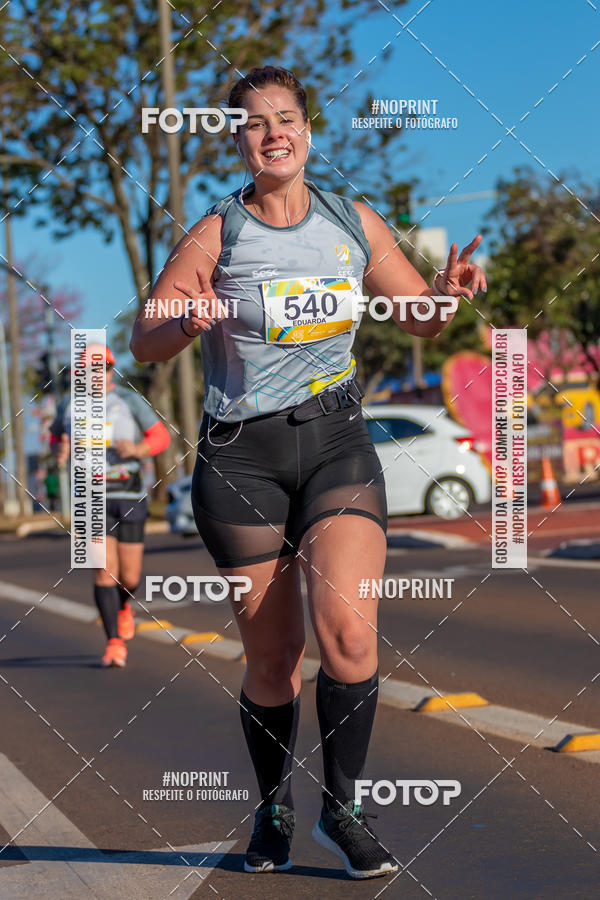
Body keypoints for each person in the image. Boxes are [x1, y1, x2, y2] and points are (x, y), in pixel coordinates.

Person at [130, 66, 486, 879]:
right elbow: (146, 338)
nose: (273, 132)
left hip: (335, 443)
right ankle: (273, 811)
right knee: (273, 659)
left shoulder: (350, 220)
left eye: (286, 117)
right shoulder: (216, 234)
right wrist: (185, 321)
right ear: (238, 141)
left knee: (351, 633)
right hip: (242, 458)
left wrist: (449, 293)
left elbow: (421, 320)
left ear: (308, 131)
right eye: (255, 123)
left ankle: (344, 810)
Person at [50, 344, 171, 667]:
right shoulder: (69, 405)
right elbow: (55, 437)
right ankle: (114, 642)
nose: (97, 376)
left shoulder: (129, 401)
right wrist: (59, 451)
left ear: (111, 370)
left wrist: (137, 449)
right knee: (105, 572)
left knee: (129, 577)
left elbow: (161, 438)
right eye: (90, 370)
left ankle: (123, 606)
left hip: (129, 495)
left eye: (103, 368)